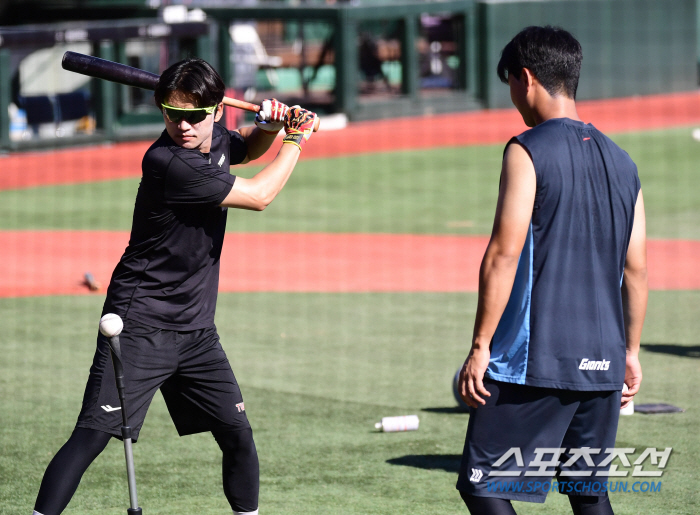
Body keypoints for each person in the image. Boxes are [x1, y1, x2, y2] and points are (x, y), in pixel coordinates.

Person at [32, 57, 316, 515]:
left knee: (237, 435)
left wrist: (267, 126)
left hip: (196, 329)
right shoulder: (170, 161)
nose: (183, 126)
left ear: (218, 111)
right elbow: (260, 196)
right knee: (91, 438)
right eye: (172, 114)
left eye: (194, 116)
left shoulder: (212, 137)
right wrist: (297, 137)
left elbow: (241, 150)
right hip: (139, 322)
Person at [456, 26, 648, 515]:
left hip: (536, 361)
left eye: (511, 87)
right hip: (604, 362)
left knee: (485, 486)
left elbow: (503, 252)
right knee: (588, 492)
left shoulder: (526, 149)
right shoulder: (625, 163)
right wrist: (630, 352)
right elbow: (637, 269)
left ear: (526, 78)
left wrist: (480, 346)